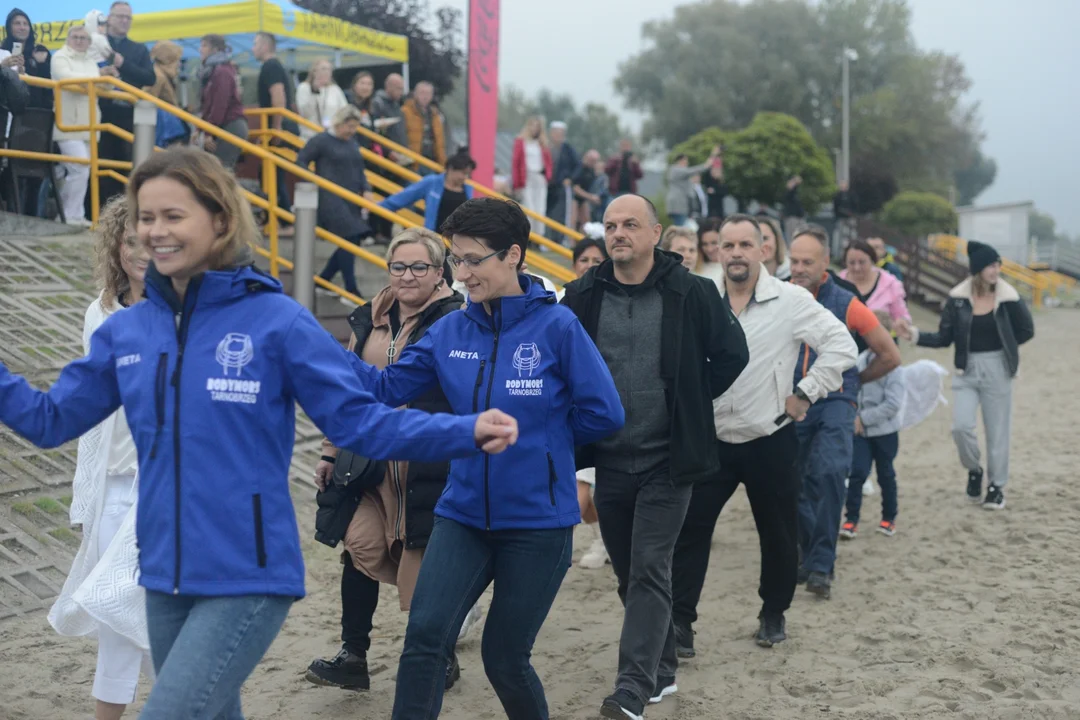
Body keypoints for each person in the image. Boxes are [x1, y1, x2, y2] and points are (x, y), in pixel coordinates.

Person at [0, 147, 519, 719]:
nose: (155, 231)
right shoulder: (130, 330)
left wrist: (461, 431)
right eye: (147, 218)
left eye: (174, 216)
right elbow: (49, 420)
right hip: (165, 575)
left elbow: (361, 423)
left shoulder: (274, 319)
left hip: (248, 576)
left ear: (220, 219)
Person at [343, 197, 623, 720]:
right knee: (424, 638)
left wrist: (543, 443)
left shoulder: (557, 328)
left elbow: (604, 413)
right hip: (462, 514)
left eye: (473, 260)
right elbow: (388, 387)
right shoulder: (449, 331)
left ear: (512, 255)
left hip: (538, 524)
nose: (462, 273)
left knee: (504, 658)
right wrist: (322, 356)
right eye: (456, 260)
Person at [562, 195, 749, 719]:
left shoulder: (693, 292)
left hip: (670, 459)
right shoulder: (581, 295)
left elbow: (734, 355)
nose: (617, 233)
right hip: (609, 460)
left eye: (629, 225)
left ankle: (632, 688)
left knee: (648, 568)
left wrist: (690, 398)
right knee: (629, 574)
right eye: (610, 226)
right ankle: (662, 666)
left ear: (655, 233)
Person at [670, 214, 856, 657]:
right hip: (710, 440)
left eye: (744, 246)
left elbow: (842, 345)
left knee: (777, 534)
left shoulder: (790, 299)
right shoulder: (698, 295)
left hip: (769, 437)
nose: (735, 253)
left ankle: (773, 613)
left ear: (763, 250)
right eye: (727, 246)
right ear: (716, 252)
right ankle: (680, 624)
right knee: (689, 532)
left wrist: (806, 392)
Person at [305, 228, 469, 693]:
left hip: (428, 466)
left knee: (427, 563)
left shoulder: (457, 321)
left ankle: (439, 653)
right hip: (369, 465)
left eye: (420, 267)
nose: (408, 276)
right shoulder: (366, 319)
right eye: (399, 266)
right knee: (359, 549)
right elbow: (346, 391)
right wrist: (330, 450)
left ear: (440, 273)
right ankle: (353, 655)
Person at [47, 196, 152, 720]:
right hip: (115, 484)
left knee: (168, 617)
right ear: (115, 245)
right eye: (129, 239)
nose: (140, 250)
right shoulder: (101, 311)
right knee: (117, 617)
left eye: (150, 238)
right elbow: (96, 403)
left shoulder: (194, 306)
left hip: (169, 487)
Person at [787, 225, 901, 600]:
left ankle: (821, 565)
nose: (799, 268)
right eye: (794, 260)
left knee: (832, 471)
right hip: (790, 400)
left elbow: (890, 354)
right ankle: (808, 552)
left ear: (826, 265)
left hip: (835, 401)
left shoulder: (847, 302)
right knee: (795, 483)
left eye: (807, 261)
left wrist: (852, 382)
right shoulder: (778, 295)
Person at [898, 241, 1034, 510]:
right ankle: (974, 470)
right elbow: (944, 337)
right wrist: (914, 335)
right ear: (978, 269)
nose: (996, 270)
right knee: (960, 427)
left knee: (998, 432)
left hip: (998, 368)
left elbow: (1026, 330)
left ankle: (996, 487)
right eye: (991, 266)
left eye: (998, 265)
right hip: (966, 368)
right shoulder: (958, 300)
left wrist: (1005, 346)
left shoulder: (1008, 297)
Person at [295, 105, 374, 301]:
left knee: (352, 239)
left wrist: (367, 189)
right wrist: (315, 183)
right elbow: (301, 160)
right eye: (349, 126)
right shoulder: (321, 140)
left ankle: (324, 280)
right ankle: (350, 289)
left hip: (351, 197)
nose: (352, 131)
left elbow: (359, 169)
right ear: (339, 123)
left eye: (355, 127)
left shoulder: (352, 143)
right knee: (351, 236)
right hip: (329, 198)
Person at [566, 236, 610, 569]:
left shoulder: (615, 303)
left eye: (598, 261)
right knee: (585, 484)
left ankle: (554, 544)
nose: (590, 267)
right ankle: (602, 538)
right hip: (568, 409)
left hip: (600, 410)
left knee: (581, 485)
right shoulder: (562, 303)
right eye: (585, 260)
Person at [840, 311, 903, 540]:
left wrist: (863, 418)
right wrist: (854, 417)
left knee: (886, 474)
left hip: (885, 432)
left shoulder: (895, 366)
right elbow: (851, 392)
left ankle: (888, 518)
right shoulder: (859, 361)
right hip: (860, 433)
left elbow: (893, 404)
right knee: (856, 474)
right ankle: (851, 520)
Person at [95, 1, 155, 207]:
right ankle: (100, 213)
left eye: (127, 17)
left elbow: (150, 77)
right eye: (119, 16)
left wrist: (123, 64)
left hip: (129, 113)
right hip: (101, 112)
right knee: (102, 163)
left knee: (129, 164)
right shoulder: (95, 42)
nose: (124, 21)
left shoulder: (138, 49)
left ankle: (127, 212)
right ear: (109, 18)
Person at [51, 24, 100, 227]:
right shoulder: (60, 57)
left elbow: (105, 84)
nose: (80, 41)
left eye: (84, 38)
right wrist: (95, 80)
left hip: (89, 124)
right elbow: (65, 77)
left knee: (84, 170)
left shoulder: (91, 61)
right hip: (67, 124)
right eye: (76, 37)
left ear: (89, 42)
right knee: (79, 167)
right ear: (68, 39)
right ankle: (68, 216)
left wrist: (103, 78)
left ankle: (73, 215)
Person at [253, 32, 297, 221]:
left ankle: (282, 219)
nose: (252, 48)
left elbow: (278, 97)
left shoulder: (270, 66)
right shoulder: (278, 66)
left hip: (278, 126)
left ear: (264, 46)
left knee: (271, 176)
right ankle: (280, 218)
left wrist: (276, 127)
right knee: (272, 175)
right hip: (280, 125)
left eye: (255, 44)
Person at [379, 151, 475, 232]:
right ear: (451, 168)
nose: (465, 177)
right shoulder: (432, 182)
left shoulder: (468, 188)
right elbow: (404, 197)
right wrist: (376, 207)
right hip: (435, 236)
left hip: (459, 240)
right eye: (463, 173)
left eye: (468, 174)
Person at [196, 34, 248, 170]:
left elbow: (219, 104)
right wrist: (200, 128)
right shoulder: (216, 71)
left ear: (215, 49)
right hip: (224, 125)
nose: (200, 49)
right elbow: (209, 105)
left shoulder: (222, 71)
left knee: (220, 170)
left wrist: (208, 132)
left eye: (204, 45)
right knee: (217, 170)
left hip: (229, 125)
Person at [839, 239, 911, 328]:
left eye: (862, 262)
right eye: (852, 263)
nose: (857, 267)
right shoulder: (837, 282)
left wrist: (902, 322)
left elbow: (903, 315)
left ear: (872, 260)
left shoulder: (890, 284)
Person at [511, 116, 552, 236]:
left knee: (540, 209)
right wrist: (516, 183)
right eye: (532, 125)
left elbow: (548, 163)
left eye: (537, 126)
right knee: (529, 208)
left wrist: (547, 176)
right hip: (527, 178)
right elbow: (516, 163)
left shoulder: (542, 143)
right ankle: (528, 235)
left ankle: (539, 236)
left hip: (539, 177)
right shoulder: (520, 141)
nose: (534, 129)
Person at [665, 147, 719, 227]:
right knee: (680, 229)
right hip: (678, 205)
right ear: (682, 160)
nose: (687, 163)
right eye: (686, 160)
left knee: (681, 227)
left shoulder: (678, 171)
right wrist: (712, 156)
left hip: (680, 205)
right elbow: (696, 169)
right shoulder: (676, 170)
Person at [296, 58, 348, 141]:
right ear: (314, 71)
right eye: (323, 69)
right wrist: (314, 90)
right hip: (310, 136)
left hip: (332, 136)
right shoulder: (304, 87)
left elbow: (344, 110)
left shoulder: (335, 89)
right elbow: (304, 112)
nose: (326, 72)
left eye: (329, 69)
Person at [546, 120, 580, 240]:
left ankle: (557, 239)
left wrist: (570, 178)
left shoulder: (568, 149)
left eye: (560, 133)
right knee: (545, 212)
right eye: (555, 132)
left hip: (560, 186)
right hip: (546, 185)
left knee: (559, 213)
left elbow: (577, 165)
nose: (557, 135)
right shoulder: (546, 146)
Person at [401, 80, 446, 167]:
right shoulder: (405, 112)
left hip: (433, 161)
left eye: (428, 93)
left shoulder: (435, 115)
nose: (425, 96)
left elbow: (440, 142)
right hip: (413, 161)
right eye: (422, 93)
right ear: (415, 94)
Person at [571, 149, 606, 228]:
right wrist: (591, 197)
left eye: (595, 161)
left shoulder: (592, 170)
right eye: (592, 160)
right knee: (573, 220)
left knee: (586, 222)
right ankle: (571, 240)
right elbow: (575, 188)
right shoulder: (580, 168)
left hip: (584, 198)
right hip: (574, 198)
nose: (593, 163)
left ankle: (583, 239)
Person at [346, 70, 377, 150]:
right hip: (351, 150)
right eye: (362, 83)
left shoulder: (371, 107)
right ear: (354, 85)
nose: (365, 87)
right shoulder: (346, 103)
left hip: (367, 150)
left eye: (369, 84)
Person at [694, 217, 725, 288]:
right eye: (705, 244)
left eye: (714, 243)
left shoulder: (735, 268)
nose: (709, 249)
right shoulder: (694, 268)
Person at [759, 215, 790, 280]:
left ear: (777, 240)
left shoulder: (793, 275)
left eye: (765, 238)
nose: (762, 245)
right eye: (757, 240)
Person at [700, 152, 729, 220]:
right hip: (710, 209)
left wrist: (715, 191)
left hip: (719, 210)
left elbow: (724, 192)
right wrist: (713, 154)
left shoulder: (721, 181)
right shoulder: (708, 178)